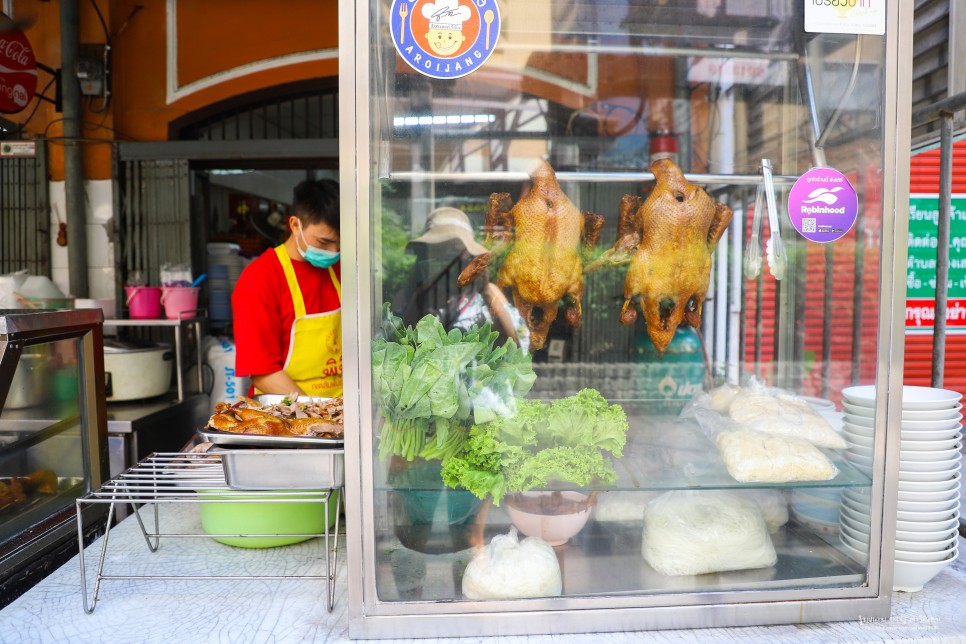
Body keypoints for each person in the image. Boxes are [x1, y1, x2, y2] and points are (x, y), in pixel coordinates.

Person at [232, 179, 342, 397]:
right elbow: (263, 372)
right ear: (295, 225)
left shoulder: (343, 270)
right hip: (285, 414)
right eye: (324, 242)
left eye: (341, 243)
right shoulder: (260, 278)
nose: (334, 251)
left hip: (344, 411)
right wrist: (315, 415)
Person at [394, 206, 527, 349]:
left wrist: (486, 290)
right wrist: (420, 299)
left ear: (469, 258)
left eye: (455, 258)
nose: (448, 269)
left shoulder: (486, 294)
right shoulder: (408, 296)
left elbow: (522, 342)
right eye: (438, 256)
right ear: (425, 259)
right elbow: (392, 346)